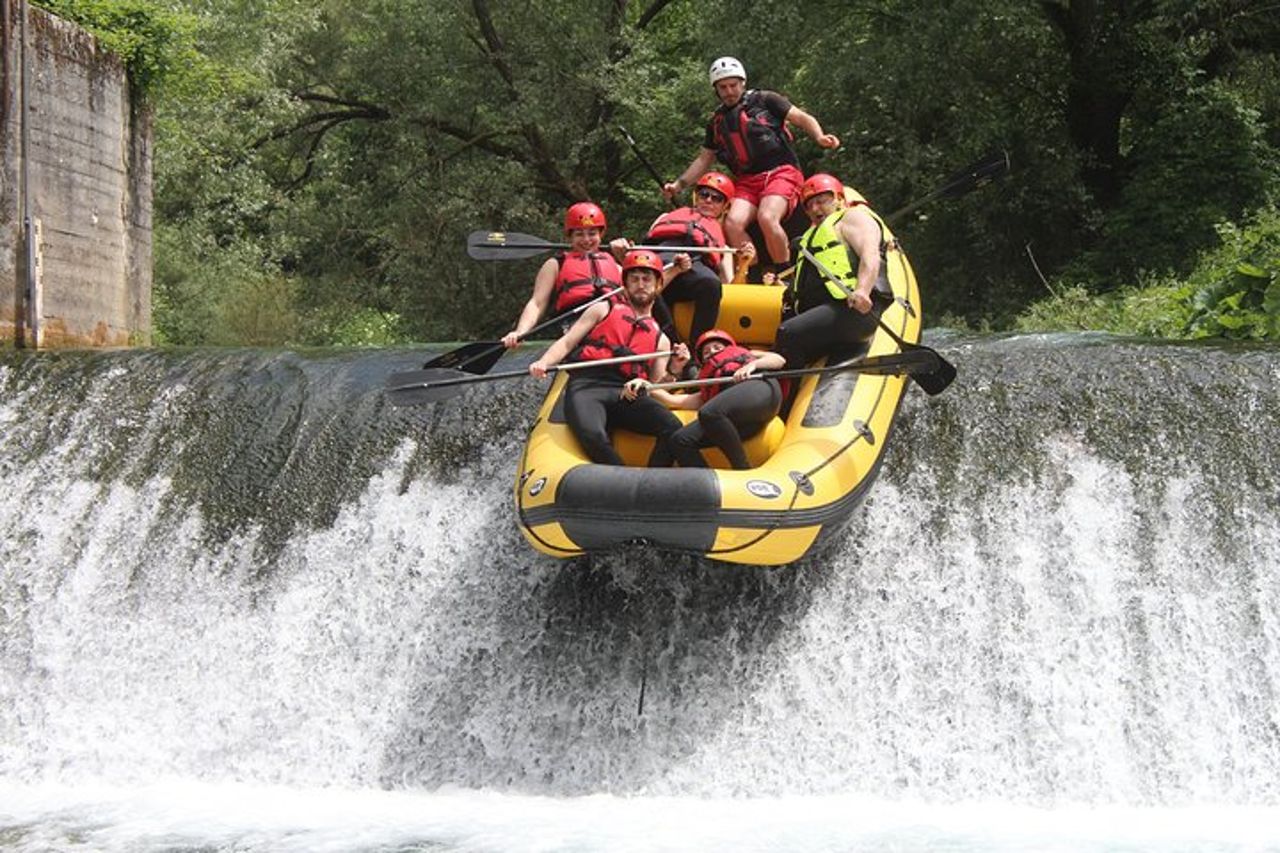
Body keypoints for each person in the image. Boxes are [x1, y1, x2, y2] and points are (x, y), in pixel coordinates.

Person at [662, 56, 841, 275]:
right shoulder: (716, 121)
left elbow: (802, 118)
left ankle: (785, 273)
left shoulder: (766, 100)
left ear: (742, 83)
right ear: (716, 90)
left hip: (782, 171)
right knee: (732, 223)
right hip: (747, 180)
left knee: (767, 216)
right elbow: (704, 159)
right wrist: (679, 185)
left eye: (733, 85)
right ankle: (752, 271)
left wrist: (820, 137)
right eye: (723, 87)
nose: (729, 91)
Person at [530, 249, 685, 466]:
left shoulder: (662, 339)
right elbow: (567, 342)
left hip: (627, 394)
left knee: (674, 430)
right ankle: (624, 479)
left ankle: (653, 479)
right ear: (625, 284)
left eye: (647, 279)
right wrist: (544, 362)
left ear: (658, 285)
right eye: (635, 279)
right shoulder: (603, 308)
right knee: (594, 437)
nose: (641, 284)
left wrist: (676, 369)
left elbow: (657, 387)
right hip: (588, 386)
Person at [773, 173, 888, 370]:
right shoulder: (810, 236)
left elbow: (870, 254)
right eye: (809, 205)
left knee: (787, 334)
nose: (814, 209)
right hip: (825, 315)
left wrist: (862, 289)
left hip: (853, 310)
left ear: (840, 200)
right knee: (777, 353)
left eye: (821, 201)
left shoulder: (852, 218)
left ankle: (790, 387)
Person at [638, 329, 786, 470]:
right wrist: (648, 386)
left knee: (709, 413)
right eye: (706, 352)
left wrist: (752, 365)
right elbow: (672, 400)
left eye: (717, 347)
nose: (712, 352)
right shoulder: (707, 388)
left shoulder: (748, 355)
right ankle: (705, 481)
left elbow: (779, 360)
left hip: (761, 389)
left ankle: (742, 468)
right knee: (680, 440)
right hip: (739, 421)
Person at [642, 171, 755, 346]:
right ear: (696, 196)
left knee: (711, 283)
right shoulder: (665, 217)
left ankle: (698, 347)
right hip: (663, 255)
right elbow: (645, 248)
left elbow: (728, 284)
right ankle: (671, 341)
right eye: (704, 195)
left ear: (725, 206)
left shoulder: (723, 246)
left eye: (717, 198)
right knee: (648, 279)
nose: (709, 200)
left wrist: (743, 265)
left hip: (695, 266)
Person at [502, 202, 622, 349]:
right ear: (569, 237)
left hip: (613, 331)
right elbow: (537, 303)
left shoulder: (617, 267)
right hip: (574, 331)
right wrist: (520, 332)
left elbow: (645, 296)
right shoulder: (555, 264)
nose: (586, 240)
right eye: (579, 234)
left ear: (601, 235)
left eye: (592, 233)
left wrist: (627, 258)